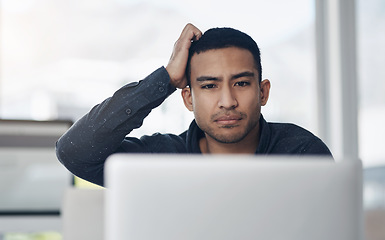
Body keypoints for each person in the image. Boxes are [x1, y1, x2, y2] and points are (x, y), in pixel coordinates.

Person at [56, 23, 332, 186]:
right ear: (188, 98)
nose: (228, 101)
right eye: (210, 86)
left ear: (263, 92)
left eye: (241, 83)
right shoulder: (159, 161)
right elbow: (75, 152)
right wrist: (164, 79)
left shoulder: (301, 152)